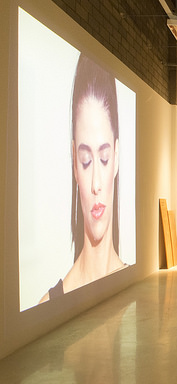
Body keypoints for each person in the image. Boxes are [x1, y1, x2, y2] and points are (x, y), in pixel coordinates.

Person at [41, 55, 126, 302]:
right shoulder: (49, 303)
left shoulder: (136, 287)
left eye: (105, 158)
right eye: (86, 161)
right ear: (74, 165)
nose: (96, 185)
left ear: (117, 157)